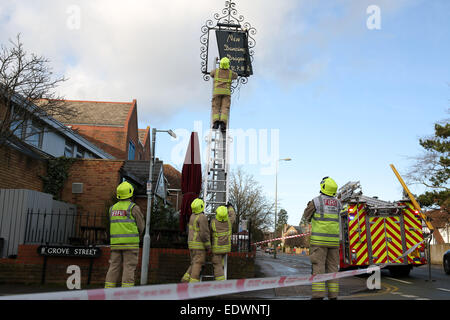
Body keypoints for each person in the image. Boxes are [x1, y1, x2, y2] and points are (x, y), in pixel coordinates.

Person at [301, 177, 342, 300]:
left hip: (319, 242)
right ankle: (333, 296)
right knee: (333, 269)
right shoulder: (338, 203)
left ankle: (318, 296)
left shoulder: (316, 201)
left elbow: (306, 216)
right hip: (334, 242)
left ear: (323, 187)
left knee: (318, 267)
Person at [105, 181, 145, 288]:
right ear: (130, 193)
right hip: (130, 244)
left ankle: (108, 291)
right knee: (129, 267)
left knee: (113, 267)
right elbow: (141, 226)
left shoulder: (112, 209)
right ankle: (127, 294)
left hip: (115, 244)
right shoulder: (133, 208)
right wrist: (139, 235)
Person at [181, 198, 211, 283]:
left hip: (191, 244)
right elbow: (204, 234)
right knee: (198, 264)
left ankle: (185, 279)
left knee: (194, 263)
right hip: (199, 245)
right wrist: (208, 246)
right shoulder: (202, 217)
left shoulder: (192, 216)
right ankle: (193, 285)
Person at [209, 57, 238, 131]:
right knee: (225, 108)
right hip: (226, 93)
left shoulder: (216, 71)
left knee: (216, 107)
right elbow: (236, 76)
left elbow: (211, 74)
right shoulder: (230, 73)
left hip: (217, 92)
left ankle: (215, 123)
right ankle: (223, 124)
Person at [210, 203, 236, 281]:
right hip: (226, 247)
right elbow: (233, 216)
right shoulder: (229, 222)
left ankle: (220, 282)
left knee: (217, 264)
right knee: (221, 261)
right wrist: (230, 207)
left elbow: (209, 233)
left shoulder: (213, 222)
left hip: (217, 248)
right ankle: (221, 269)